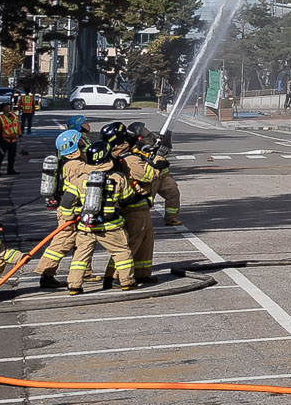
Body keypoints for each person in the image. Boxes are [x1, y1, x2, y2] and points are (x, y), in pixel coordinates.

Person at [106, 125, 181, 284]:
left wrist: (159, 148)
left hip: (142, 206)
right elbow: (149, 175)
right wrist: (160, 156)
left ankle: (141, 273)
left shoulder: (129, 154)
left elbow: (146, 159)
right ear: (121, 141)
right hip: (133, 208)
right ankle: (114, 276)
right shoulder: (129, 159)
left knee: (146, 242)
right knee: (131, 242)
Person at [62, 145, 139, 294]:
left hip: (87, 227)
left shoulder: (81, 179)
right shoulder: (118, 178)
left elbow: (66, 202)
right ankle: (127, 282)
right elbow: (128, 200)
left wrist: (70, 216)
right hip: (111, 227)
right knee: (122, 253)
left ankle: (74, 286)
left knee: (80, 256)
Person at [35, 129, 101, 290]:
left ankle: (84, 272)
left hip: (75, 210)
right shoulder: (75, 165)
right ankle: (46, 274)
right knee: (62, 243)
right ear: (73, 147)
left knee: (83, 241)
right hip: (69, 212)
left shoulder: (73, 162)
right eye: (80, 141)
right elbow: (97, 173)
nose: (84, 143)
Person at [0, 101, 22, 176]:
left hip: (13, 139)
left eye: (9, 107)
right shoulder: (0, 118)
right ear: (2, 109)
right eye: (6, 107)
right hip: (4, 140)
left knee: (12, 156)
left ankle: (10, 170)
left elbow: (17, 126)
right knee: (1, 156)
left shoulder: (14, 116)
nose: (8, 108)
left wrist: (20, 135)